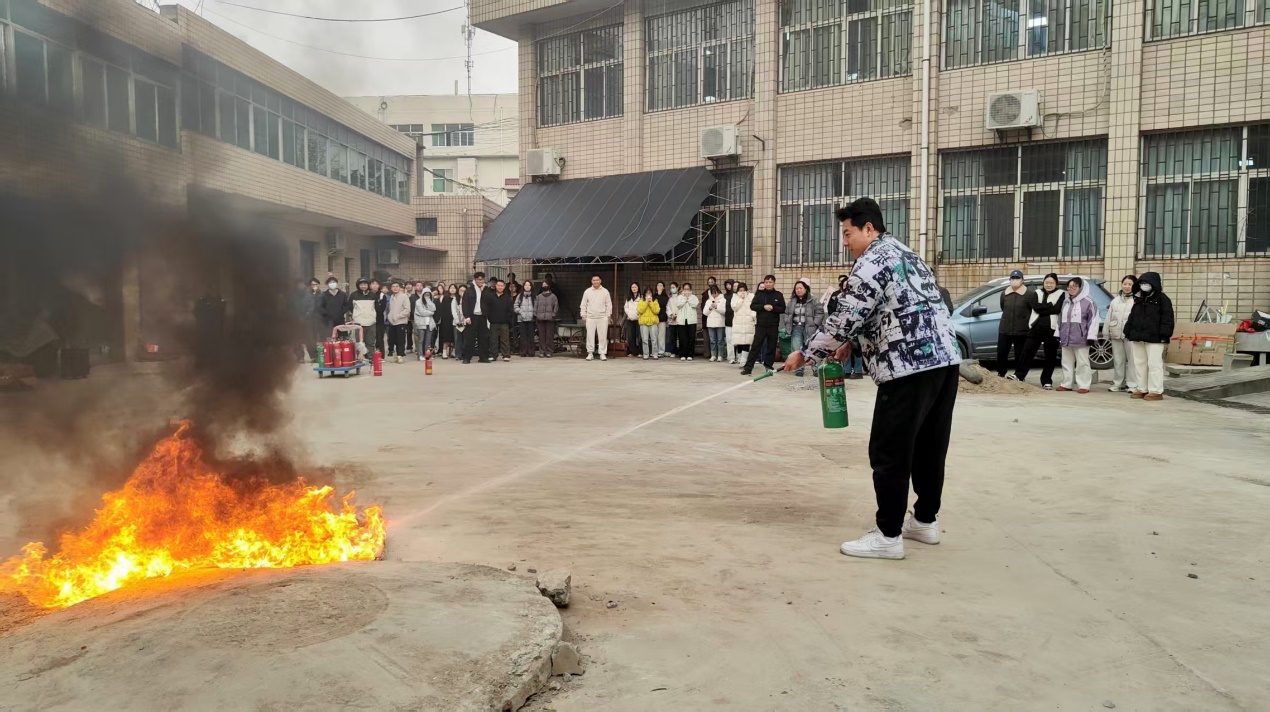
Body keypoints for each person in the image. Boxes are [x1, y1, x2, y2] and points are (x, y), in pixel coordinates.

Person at [784, 197, 959, 560]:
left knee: (889, 450)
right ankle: (924, 520)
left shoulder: (871, 261)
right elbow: (893, 306)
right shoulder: (906, 254)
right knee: (929, 447)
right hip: (944, 361)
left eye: (848, 233)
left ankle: (888, 535)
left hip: (907, 365)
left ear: (868, 228)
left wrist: (806, 353)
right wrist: (852, 342)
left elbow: (844, 317)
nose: (844, 242)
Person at [1124, 271, 1173, 401]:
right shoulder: (1139, 298)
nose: (1143, 285)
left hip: (1155, 338)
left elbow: (1168, 318)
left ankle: (1155, 390)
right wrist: (1127, 331)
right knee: (1139, 363)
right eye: (1141, 283)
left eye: (1146, 283)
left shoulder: (1163, 299)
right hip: (1138, 336)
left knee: (1154, 364)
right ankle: (1142, 388)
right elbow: (1132, 317)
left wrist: (1165, 334)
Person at [1016, 273, 1064, 390]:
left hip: (1052, 329)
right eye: (1047, 282)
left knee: (1050, 356)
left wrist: (1043, 308)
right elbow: (1035, 307)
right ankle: (1019, 375)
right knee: (1027, 352)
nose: (1049, 285)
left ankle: (1046, 380)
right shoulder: (1037, 293)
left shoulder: (1061, 293)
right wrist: (1049, 306)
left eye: (1052, 283)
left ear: (1056, 284)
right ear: (1043, 283)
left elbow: (1057, 309)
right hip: (1036, 328)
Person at [1057, 277, 1099, 393]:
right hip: (1066, 337)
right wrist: (1058, 333)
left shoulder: (1089, 302)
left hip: (1081, 338)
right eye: (1069, 286)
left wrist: (1091, 336)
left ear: (1081, 288)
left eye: (1074, 286)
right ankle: (1067, 384)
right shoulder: (1066, 302)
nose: (1071, 289)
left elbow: (1094, 320)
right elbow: (1060, 319)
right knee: (1066, 361)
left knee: (1082, 362)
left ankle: (1084, 385)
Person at [740, 275, 785, 376]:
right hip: (761, 325)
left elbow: (782, 308)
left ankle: (768, 365)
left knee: (771, 346)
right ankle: (748, 367)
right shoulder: (760, 294)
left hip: (773, 325)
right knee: (756, 346)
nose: (768, 284)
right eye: (766, 282)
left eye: (770, 282)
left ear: (774, 283)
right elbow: (753, 306)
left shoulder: (778, 295)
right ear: (764, 283)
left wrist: (773, 308)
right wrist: (763, 307)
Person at [780, 278, 826, 377]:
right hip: (796, 327)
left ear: (806, 289)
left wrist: (815, 324)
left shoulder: (813, 300)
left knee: (812, 348)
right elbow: (787, 314)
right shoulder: (792, 301)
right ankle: (799, 369)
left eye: (800, 288)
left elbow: (820, 312)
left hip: (809, 328)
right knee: (797, 349)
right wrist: (788, 324)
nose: (798, 290)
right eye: (796, 288)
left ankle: (816, 369)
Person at [1104, 275, 1139, 393]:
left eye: (1130, 284)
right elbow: (1108, 317)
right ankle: (1118, 383)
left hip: (1131, 335)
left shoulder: (1137, 300)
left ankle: (1133, 384)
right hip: (1116, 333)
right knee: (1118, 360)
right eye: (1125, 284)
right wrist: (1106, 333)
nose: (1127, 286)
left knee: (1132, 360)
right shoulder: (1115, 300)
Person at [997, 270, 1031, 380]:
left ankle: (1019, 375)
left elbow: (1032, 310)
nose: (1015, 280)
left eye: (1017, 278)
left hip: (1021, 329)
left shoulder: (1029, 294)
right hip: (1005, 328)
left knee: (1020, 354)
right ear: (1010, 280)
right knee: (1002, 352)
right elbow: (1003, 307)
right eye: (1013, 278)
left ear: (1022, 280)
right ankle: (1001, 372)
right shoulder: (1004, 294)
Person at [461, 272, 494, 364]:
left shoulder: (486, 289)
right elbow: (465, 304)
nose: (481, 281)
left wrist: (484, 291)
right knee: (469, 338)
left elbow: (490, 300)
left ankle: (483, 357)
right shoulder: (469, 290)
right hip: (472, 316)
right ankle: (467, 357)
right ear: (475, 280)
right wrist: (467, 316)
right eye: (479, 279)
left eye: (482, 279)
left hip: (482, 316)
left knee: (483, 337)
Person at [579, 275, 612, 361]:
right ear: (591, 281)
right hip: (590, 317)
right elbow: (583, 304)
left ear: (600, 281)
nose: (595, 282)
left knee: (602, 336)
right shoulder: (587, 291)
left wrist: (608, 315)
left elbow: (608, 304)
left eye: (597, 280)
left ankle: (602, 353)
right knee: (590, 336)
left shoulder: (605, 291)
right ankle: (590, 353)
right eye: (594, 280)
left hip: (602, 317)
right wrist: (583, 314)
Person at [347, 278, 379, 358]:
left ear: (368, 285)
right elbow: (350, 307)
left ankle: (370, 357)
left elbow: (376, 307)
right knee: (359, 341)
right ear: (358, 285)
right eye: (361, 284)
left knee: (370, 341)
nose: (363, 286)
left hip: (371, 321)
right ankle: (360, 357)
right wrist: (356, 314)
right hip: (358, 322)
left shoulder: (373, 295)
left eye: (365, 284)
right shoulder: (353, 295)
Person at [487, 279, 514, 362]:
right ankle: (493, 355)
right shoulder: (491, 296)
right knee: (493, 339)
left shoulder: (507, 297)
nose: (500, 287)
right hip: (493, 321)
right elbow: (488, 309)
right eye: (498, 285)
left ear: (504, 287)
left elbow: (510, 310)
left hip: (504, 322)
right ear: (495, 286)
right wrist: (489, 318)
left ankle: (506, 355)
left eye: (501, 286)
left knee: (505, 339)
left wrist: (508, 319)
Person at [293, 278, 319, 363]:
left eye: (302, 284)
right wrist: (298, 317)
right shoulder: (294, 296)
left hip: (307, 321)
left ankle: (314, 356)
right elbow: (292, 308)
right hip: (297, 321)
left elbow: (311, 307)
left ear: (304, 285)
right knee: (297, 340)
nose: (300, 286)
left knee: (310, 339)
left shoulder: (309, 296)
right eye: (298, 285)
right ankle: (300, 357)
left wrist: (305, 316)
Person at [385, 281, 412, 364]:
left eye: (397, 286)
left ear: (400, 288)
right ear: (391, 288)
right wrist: (390, 317)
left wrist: (398, 316)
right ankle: (396, 355)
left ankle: (400, 355)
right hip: (392, 322)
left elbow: (407, 309)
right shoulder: (392, 297)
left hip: (401, 321)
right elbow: (390, 309)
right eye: (393, 286)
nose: (395, 288)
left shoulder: (404, 296)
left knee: (400, 339)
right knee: (392, 339)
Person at [674, 282, 700, 361]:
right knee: (682, 338)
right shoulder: (679, 297)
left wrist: (688, 298)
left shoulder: (694, 297)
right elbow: (679, 305)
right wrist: (685, 298)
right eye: (685, 289)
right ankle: (682, 354)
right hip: (681, 320)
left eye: (688, 289)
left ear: (690, 289)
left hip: (691, 320)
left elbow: (694, 305)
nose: (686, 291)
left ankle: (690, 354)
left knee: (691, 338)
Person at [701, 285, 728, 362]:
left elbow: (724, 311)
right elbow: (705, 313)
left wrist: (716, 307)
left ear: (718, 292)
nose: (714, 295)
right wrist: (710, 308)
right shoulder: (708, 301)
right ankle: (713, 355)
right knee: (712, 340)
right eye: (712, 293)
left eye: (715, 293)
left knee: (720, 340)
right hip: (710, 323)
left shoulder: (723, 300)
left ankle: (720, 355)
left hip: (720, 323)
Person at [730, 282, 754, 365]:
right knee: (739, 341)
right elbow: (734, 307)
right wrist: (741, 299)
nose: (742, 292)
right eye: (740, 290)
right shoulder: (735, 297)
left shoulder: (751, 296)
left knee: (747, 341)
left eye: (744, 290)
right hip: (738, 322)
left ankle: (744, 360)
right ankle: (740, 357)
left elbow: (753, 308)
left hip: (748, 322)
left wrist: (753, 317)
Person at [535, 280, 559, 357]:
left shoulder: (553, 296)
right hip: (540, 319)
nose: (544, 286)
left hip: (550, 319)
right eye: (543, 285)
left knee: (549, 336)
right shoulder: (539, 297)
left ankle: (549, 351)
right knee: (541, 336)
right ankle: (542, 351)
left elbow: (556, 306)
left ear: (549, 286)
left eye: (546, 285)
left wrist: (553, 314)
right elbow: (535, 306)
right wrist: (536, 315)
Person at [413, 284, 437, 360]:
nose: (427, 295)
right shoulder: (418, 302)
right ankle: (420, 355)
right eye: (425, 294)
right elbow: (421, 312)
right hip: (421, 323)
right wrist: (431, 313)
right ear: (423, 294)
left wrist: (428, 301)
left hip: (429, 324)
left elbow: (434, 309)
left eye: (428, 294)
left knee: (428, 341)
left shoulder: (431, 301)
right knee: (421, 340)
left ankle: (427, 355)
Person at [637, 287, 661, 359]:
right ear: (644, 294)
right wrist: (646, 302)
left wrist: (651, 303)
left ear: (652, 294)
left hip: (653, 322)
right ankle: (646, 354)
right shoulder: (641, 301)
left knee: (654, 339)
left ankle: (655, 354)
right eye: (647, 293)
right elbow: (640, 310)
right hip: (644, 323)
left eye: (650, 293)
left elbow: (656, 311)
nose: (648, 294)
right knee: (644, 340)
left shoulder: (655, 301)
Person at [515, 280, 537, 358]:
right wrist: (520, 312)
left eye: (529, 285)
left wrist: (534, 314)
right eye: (526, 285)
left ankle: (531, 352)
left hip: (531, 319)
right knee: (523, 336)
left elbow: (537, 306)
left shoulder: (534, 296)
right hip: (521, 319)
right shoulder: (519, 296)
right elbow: (515, 306)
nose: (527, 287)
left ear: (531, 287)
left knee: (531, 336)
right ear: (523, 286)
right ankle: (523, 352)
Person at [623, 282, 643, 357]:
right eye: (632, 287)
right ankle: (633, 352)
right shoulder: (628, 298)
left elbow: (642, 307)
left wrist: (636, 313)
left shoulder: (641, 297)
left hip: (638, 319)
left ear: (638, 288)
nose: (634, 288)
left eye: (635, 287)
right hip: (630, 319)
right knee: (631, 336)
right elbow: (626, 307)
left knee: (640, 336)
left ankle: (640, 352)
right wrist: (630, 314)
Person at [438, 283, 457, 359]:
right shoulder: (445, 298)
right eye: (451, 288)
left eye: (454, 288)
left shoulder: (457, 298)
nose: (452, 289)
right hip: (446, 320)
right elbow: (442, 309)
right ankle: (444, 352)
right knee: (446, 336)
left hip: (455, 319)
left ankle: (454, 351)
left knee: (455, 336)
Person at [655, 281, 671, 357]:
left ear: (663, 287)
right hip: (654, 318)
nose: (659, 287)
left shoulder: (665, 296)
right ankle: (655, 350)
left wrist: (659, 295)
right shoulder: (654, 295)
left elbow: (662, 303)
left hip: (662, 318)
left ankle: (661, 351)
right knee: (654, 335)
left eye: (661, 285)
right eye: (658, 285)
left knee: (661, 335)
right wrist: (657, 295)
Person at [452, 284, 468, 361]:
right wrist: (457, 321)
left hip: (466, 322)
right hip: (457, 322)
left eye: (464, 291)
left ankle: (465, 354)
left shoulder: (468, 300)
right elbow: (454, 311)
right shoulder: (455, 300)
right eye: (461, 290)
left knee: (466, 339)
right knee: (458, 339)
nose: (462, 292)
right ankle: (458, 354)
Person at [665, 282, 680, 357]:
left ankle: (680, 351)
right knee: (672, 337)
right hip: (671, 320)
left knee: (680, 337)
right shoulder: (670, 299)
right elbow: (668, 308)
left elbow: (681, 308)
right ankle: (673, 351)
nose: (672, 289)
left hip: (679, 320)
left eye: (673, 287)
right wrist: (671, 315)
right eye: (671, 288)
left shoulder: (680, 297)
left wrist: (676, 315)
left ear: (677, 288)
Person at [723, 279, 736, 359]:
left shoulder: (736, 295)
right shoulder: (724, 296)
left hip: (736, 319)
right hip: (728, 319)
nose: (728, 286)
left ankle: (738, 357)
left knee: (737, 339)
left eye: (729, 284)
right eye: (726, 285)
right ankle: (731, 357)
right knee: (729, 339)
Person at [403, 282, 416, 354]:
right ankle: (409, 347)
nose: (408, 286)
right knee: (408, 332)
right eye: (407, 285)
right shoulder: (403, 295)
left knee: (416, 333)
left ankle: (417, 347)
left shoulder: (415, 295)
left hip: (414, 316)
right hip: (406, 316)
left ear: (412, 286)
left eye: (410, 285)